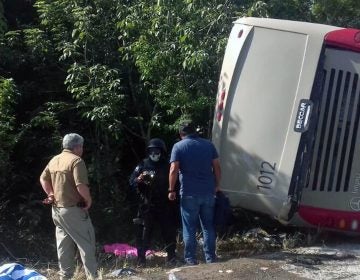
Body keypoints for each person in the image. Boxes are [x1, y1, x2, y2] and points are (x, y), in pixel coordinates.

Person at [39, 133, 97, 280]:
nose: (82, 150)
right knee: (86, 244)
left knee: (63, 246)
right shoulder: (76, 161)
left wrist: (51, 194)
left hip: (57, 210)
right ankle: (93, 277)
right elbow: (80, 185)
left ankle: (65, 277)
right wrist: (88, 199)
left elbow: (43, 178)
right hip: (73, 210)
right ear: (77, 147)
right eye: (82, 146)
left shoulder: (54, 160)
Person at [168, 121, 221, 265]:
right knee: (208, 226)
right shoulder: (208, 145)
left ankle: (191, 259)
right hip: (208, 192)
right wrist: (217, 185)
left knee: (189, 227)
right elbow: (216, 166)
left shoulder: (178, 146)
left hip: (189, 193)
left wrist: (171, 189)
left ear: (181, 134)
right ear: (195, 132)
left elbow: (173, 169)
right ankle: (210, 258)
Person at [129, 138, 179, 267]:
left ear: (162, 152)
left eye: (157, 151)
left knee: (169, 232)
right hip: (147, 205)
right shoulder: (143, 164)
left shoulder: (168, 166)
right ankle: (141, 260)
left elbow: (176, 183)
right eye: (151, 151)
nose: (154, 154)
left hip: (165, 205)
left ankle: (172, 257)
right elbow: (131, 181)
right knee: (144, 233)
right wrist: (139, 180)